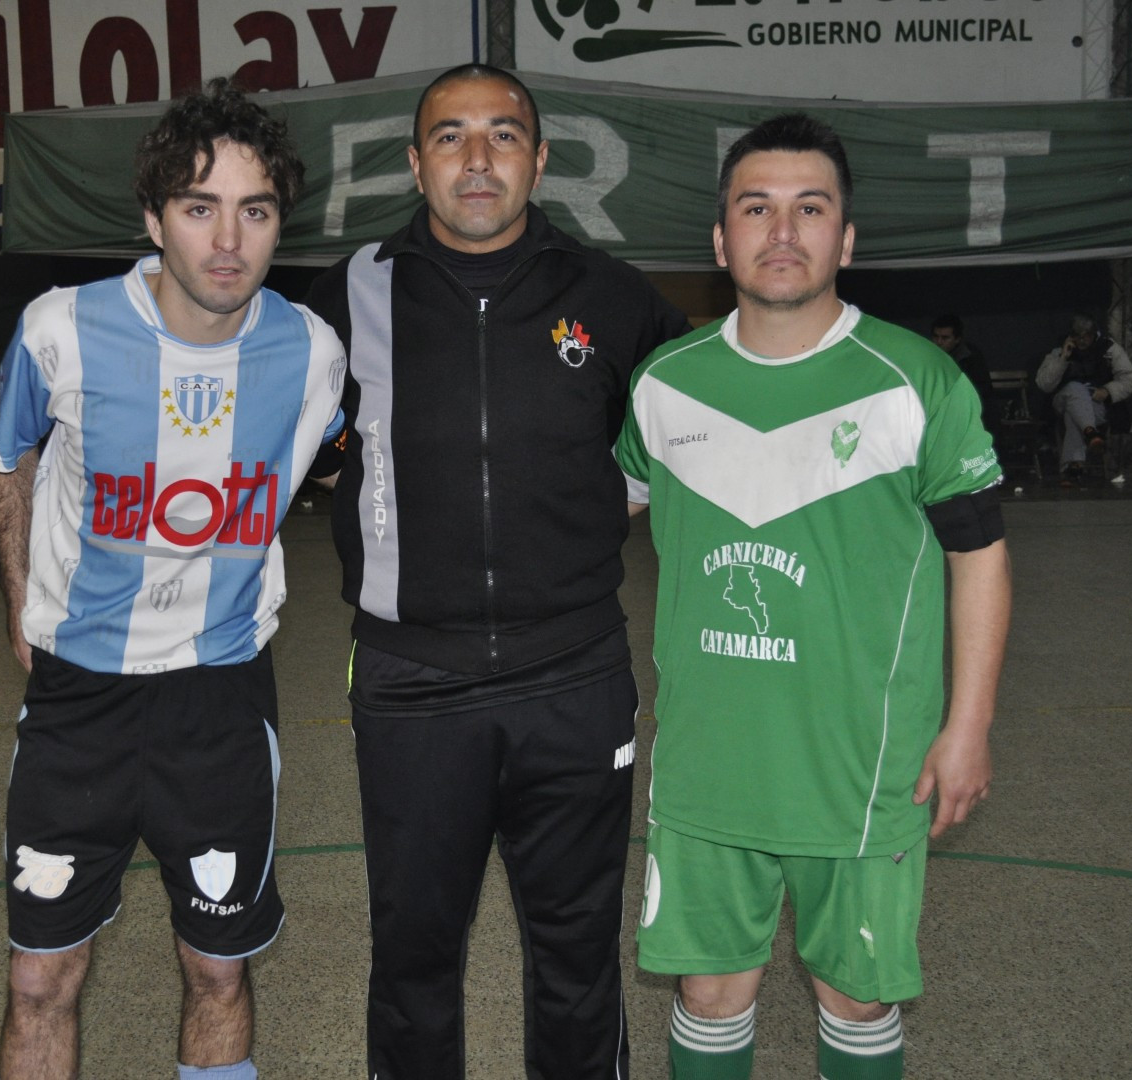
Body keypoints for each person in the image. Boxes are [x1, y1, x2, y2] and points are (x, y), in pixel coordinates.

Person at [303, 63, 690, 1080]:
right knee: (415, 959)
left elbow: (695, 424)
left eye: (503, 136)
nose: (477, 159)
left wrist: (605, 501)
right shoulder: (349, 293)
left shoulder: (609, 295)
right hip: (411, 681)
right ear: (416, 162)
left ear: (540, 159)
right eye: (451, 137)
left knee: (575, 958)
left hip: (574, 676)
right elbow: (270, 419)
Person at [615, 113, 1011, 1080]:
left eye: (810, 209)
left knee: (857, 994)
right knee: (709, 992)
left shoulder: (915, 381)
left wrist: (969, 726)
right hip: (708, 767)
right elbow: (588, 524)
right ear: (721, 240)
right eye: (756, 208)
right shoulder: (664, 385)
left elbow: (980, 557)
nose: (783, 231)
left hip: (865, 765)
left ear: (847, 237)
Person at [0, 78, 344, 1080]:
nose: (228, 240)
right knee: (39, 980)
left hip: (218, 700)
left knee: (217, 971)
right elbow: (2, 454)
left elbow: (346, 463)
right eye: (198, 207)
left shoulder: (312, 354)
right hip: (78, 701)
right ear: (152, 219)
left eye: (255, 210)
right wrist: (18, 600)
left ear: (280, 223)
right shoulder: (60, 329)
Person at [1034, 312, 1132, 484]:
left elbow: (1128, 378)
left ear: (1093, 334)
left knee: (1074, 415)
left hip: (1096, 404)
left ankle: (1073, 467)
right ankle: (1091, 434)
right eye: (1077, 336)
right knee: (1075, 388)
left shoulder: (1109, 349)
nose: (1081, 341)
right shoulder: (1060, 349)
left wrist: (1108, 391)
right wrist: (1063, 358)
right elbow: (1044, 384)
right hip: (1063, 399)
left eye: (1086, 336)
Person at [931, 313, 997, 437]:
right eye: (936, 337)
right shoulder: (930, 356)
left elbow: (980, 391)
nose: (939, 342)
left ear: (957, 339)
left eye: (945, 338)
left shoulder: (970, 358)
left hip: (971, 413)